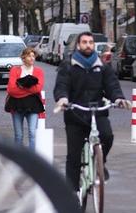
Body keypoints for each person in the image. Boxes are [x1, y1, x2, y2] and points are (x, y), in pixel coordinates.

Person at [53, 31, 130, 191]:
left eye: (90, 42)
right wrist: (63, 99)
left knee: (107, 136)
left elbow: (112, 85)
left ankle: (100, 162)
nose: (88, 45)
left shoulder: (101, 65)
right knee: (73, 157)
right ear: (78, 45)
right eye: (85, 42)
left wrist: (118, 98)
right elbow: (62, 85)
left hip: (97, 111)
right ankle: (72, 195)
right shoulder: (68, 65)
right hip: (75, 113)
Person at [6, 46, 45, 149]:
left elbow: (38, 89)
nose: (32, 58)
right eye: (29, 56)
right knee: (18, 135)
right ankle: (18, 159)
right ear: (23, 58)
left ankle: (32, 159)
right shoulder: (15, 70)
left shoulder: (38, 71)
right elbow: (11, 90)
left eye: (33, 56)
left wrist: (21, 86)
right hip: (17, 105)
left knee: (32, 133)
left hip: (33, 106)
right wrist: (29, 88)